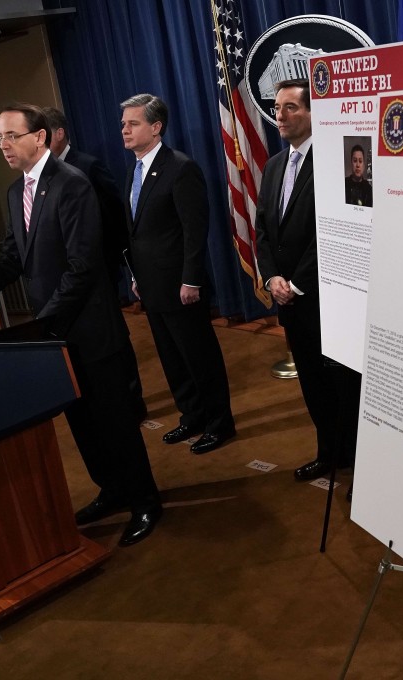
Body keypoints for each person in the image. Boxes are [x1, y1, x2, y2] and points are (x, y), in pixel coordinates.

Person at [0, 103, 162, 546]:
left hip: (89, 330)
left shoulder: (71, 186)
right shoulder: (16, 192)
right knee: (82, 422)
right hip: (56, 334)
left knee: (114, 422)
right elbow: (15, 256)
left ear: (40, 137)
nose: (3, 145)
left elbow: (83, 268)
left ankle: (145, 501)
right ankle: (112, 489)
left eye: (11, 136)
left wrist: (42, 322)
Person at [254, 79, 362, 481]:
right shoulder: (273, 166)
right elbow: (263, 229)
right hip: (287, 299)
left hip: (323, 297)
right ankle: (329, 453)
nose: (280, 115)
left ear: (314, 113)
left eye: (291, 108)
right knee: (312, 385)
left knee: (341, 384)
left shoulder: (336, 163)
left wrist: (296, 283)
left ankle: (355, 459)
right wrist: (271, 278)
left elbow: (334, 231)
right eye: (278, 107)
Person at [120, 93, 235, 455]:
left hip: (181, 286)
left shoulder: (181, 167)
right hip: (151, 286)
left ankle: (219, 424)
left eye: (132, 123)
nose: (124, 129)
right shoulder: (134, 171)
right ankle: (192, 416)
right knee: (172, 358)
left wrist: (191, 279)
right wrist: (136, 275)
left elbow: (194, 230)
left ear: (155, 128)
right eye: (123, 124)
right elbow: (138, 232)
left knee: (200, 358)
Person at [42, 106, 147, 423]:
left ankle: (133, 402)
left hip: (98, 271)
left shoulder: (87, 166)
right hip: (70, 278)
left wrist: (120, 264)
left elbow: (115, 218)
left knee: (115, 339)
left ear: (59, 134)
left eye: (44, 135)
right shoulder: (45, 175)